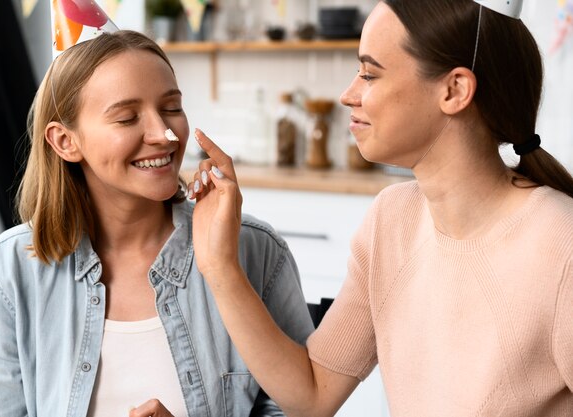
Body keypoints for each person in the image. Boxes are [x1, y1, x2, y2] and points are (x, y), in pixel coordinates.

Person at [188, 1, 573, 416]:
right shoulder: (392, 219)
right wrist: (221, 265)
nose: (347, 94)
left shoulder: (559, 243)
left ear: (455, 90)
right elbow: (311, 395)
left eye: (369, 74)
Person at [0, 30, 314, 417]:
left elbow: (304, 406)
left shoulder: (256, 251)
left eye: (172, 108)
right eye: (127, 117)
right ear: (64, 141)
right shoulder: (5, 271)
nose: (163, 134)